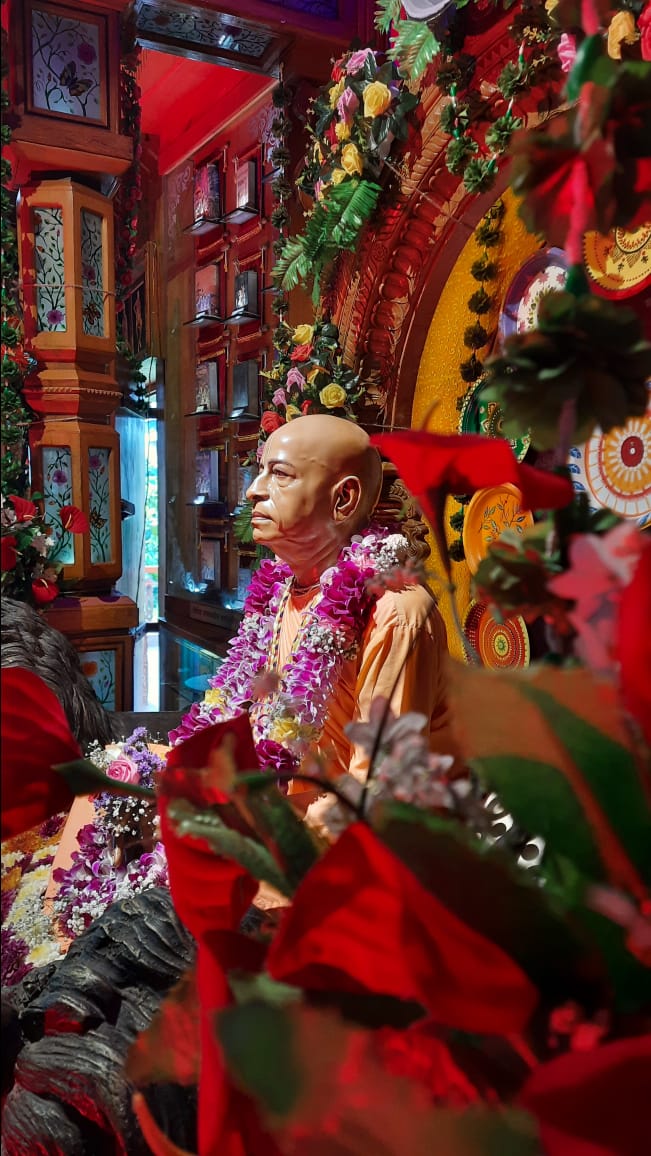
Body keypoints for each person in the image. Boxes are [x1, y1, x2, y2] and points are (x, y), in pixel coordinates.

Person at [172, 414, 454, 787]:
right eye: (260, 472)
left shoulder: (395, 611)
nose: (253, 490)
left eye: (280, 474)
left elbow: (379, 789)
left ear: (343, 499)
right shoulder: (279, 593)